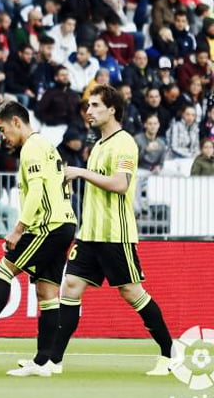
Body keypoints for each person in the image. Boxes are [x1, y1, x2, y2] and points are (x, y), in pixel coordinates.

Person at [48, 84, 174, 376]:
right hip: (89, 233)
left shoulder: (124, 142)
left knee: (131, 292)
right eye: (88, 106)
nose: (88, 111)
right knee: (70, 287)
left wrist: (80, 173)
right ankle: (52, 361)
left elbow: (120, 184)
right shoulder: (100, 144)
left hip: (115, 234)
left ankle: (170, 354)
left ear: (112, 109)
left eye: (94, 105)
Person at [0, 102, 77, 377]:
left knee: (3, 271)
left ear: (17, 122)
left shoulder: (32, 147)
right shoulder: (47, 146)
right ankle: (42, 363)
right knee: (47, 293)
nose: (3, 137)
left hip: (48, 225)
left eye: (3, 130)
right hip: (64, 223)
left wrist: (18, 229)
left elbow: (37, 190)